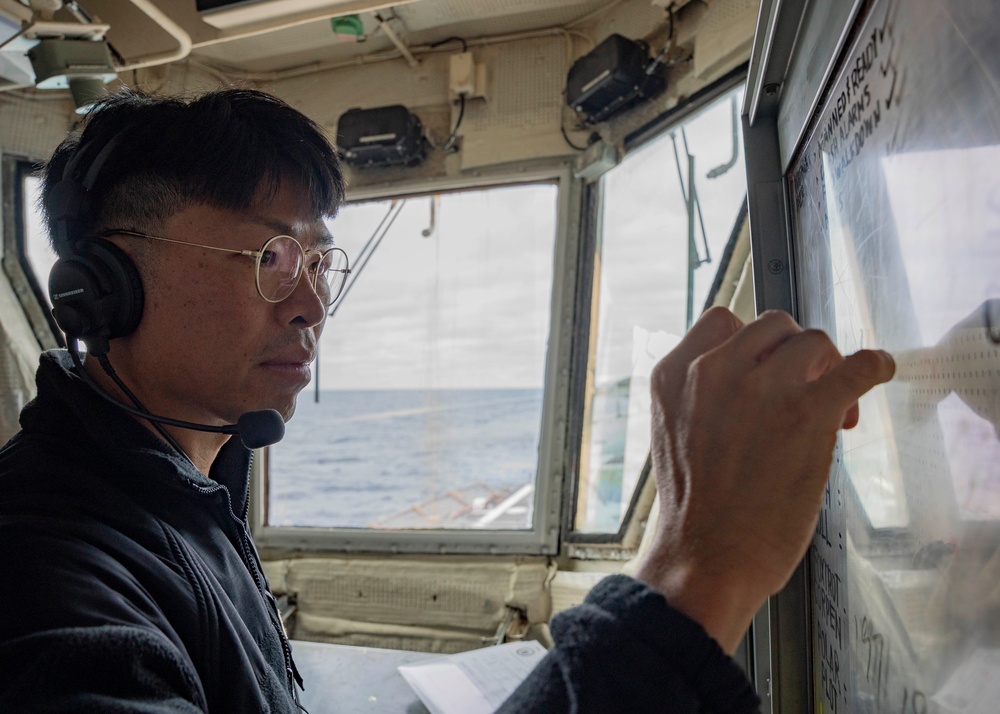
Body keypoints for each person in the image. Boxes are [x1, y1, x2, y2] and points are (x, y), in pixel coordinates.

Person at [0, 88, 894, 712]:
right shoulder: (44, 572)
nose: (313, 303)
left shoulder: (185, 489)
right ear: (101, 289)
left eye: (319, 262)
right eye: (272, 259)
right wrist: (698, 569)